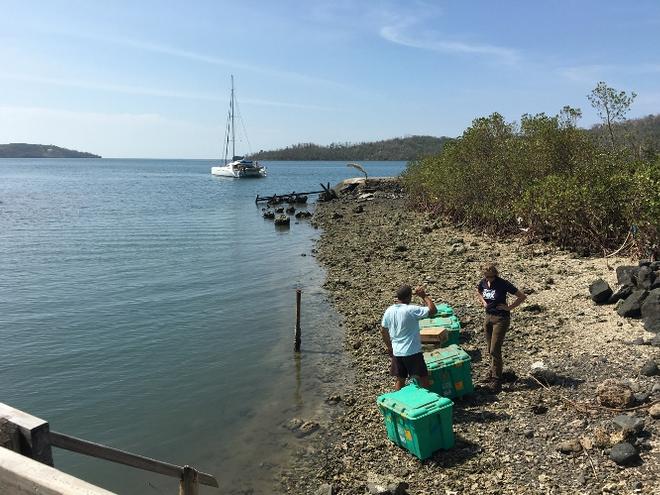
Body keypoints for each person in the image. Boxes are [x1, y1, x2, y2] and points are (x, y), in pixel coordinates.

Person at [476, 264, 527, 392]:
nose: (489, 279)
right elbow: (479, 292)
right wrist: (484, 303)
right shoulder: (483, 283)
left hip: (501, 319)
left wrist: (509, 307)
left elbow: (521, 296)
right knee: (489, 349)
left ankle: (497, 379)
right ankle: (493, 373)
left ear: (496, 274)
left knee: (495, 349)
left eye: (492, 276)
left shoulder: (503, 283)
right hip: (488, 317)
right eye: (487, 276)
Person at [381, 285, 437, 391]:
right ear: (409, 297)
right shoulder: (411, 310)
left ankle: (399, 402)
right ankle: (428, 401)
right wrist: (423, 296)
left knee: (400, 379)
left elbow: (383, 331)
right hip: (412, 352)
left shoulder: (389, 311)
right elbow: (433, 310)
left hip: (397, 352)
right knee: (423, 378)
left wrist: (389, 347)